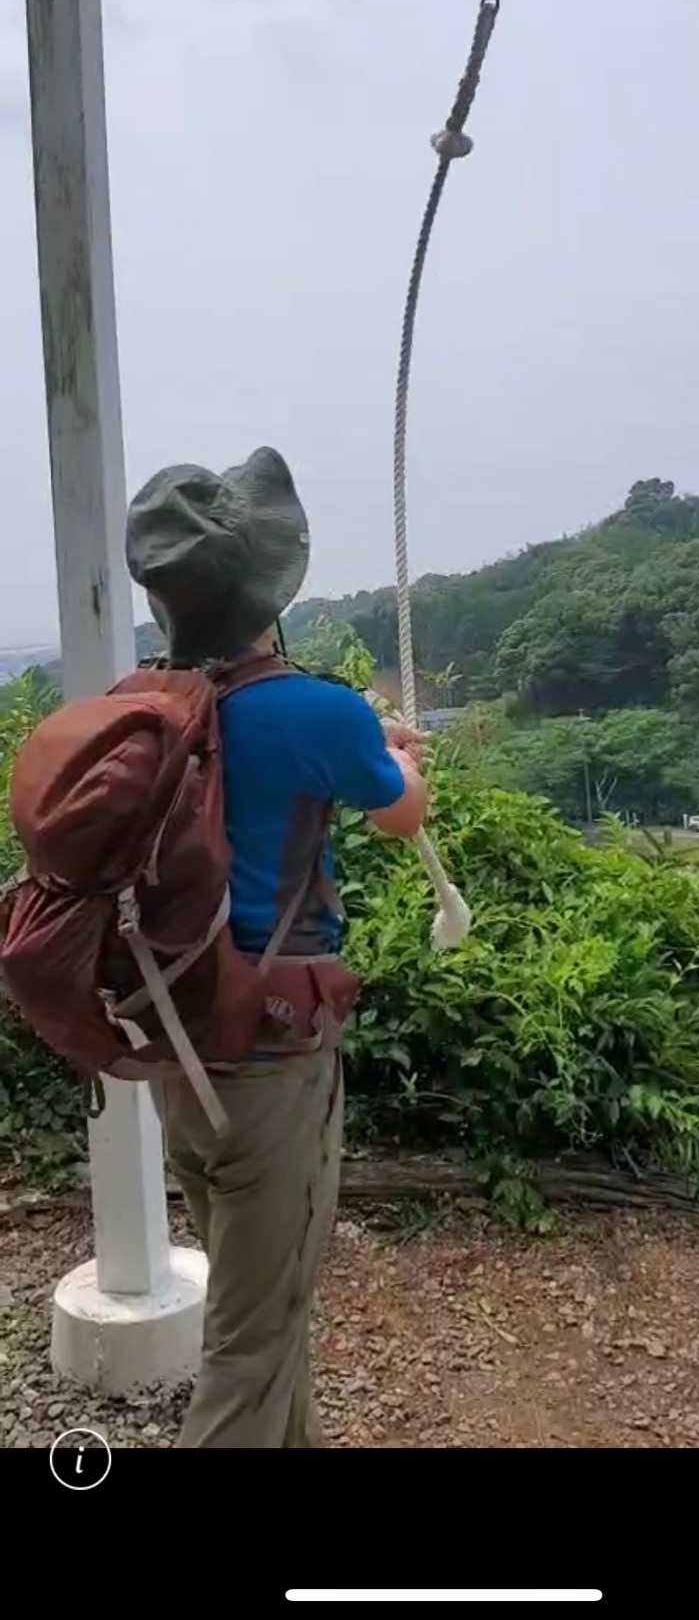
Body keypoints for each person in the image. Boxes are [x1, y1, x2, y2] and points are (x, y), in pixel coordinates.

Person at [125, 446, 429, 1448]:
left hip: (178, 1047)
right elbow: (399, 813)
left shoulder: (150, 708)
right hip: (271, 1060)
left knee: (265, 1300)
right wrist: (395, 758)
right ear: (271, 589)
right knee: (248, 1344)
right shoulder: (317, 710)